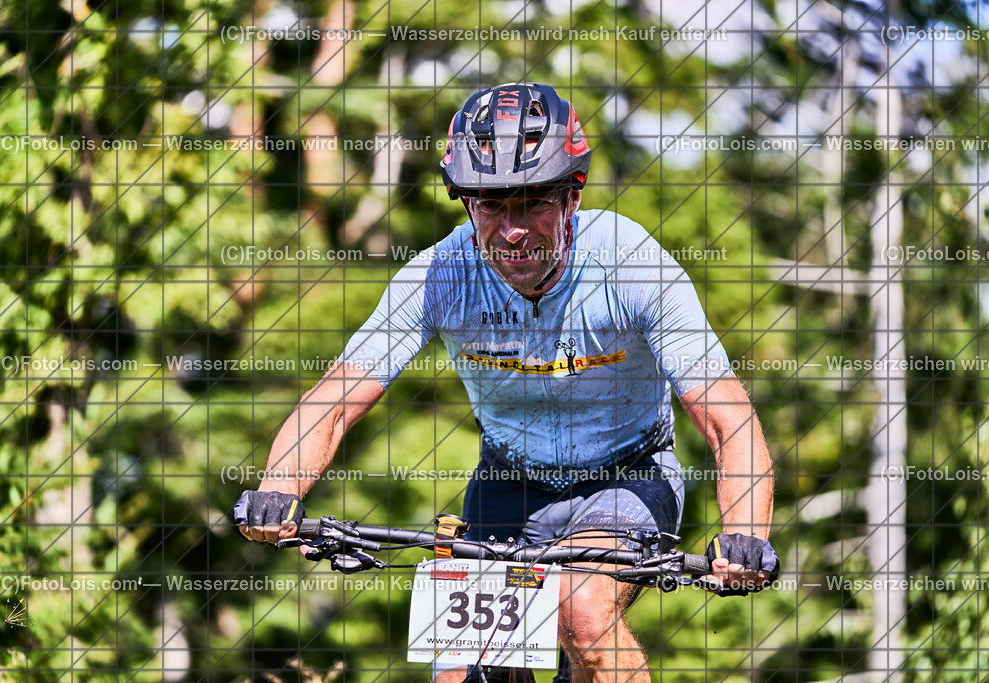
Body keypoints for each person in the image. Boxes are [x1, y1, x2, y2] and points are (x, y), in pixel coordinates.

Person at [233, 83, 779, 683]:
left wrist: (744, 535)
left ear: (572, 198)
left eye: (532, 202)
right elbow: (335, 399)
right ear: (466, 204)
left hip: (628, 475)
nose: (513, 231)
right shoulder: (441, 274)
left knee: (583, 613)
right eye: (492, 205)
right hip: (506, 484)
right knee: (458, 676)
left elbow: (729, 418)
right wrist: (278, 487)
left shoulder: (630, 263)